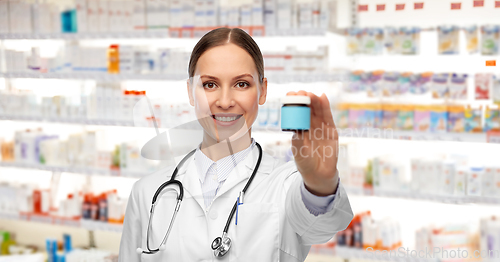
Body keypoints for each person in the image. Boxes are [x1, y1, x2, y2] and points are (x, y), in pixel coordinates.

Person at [118, 27, 353, 262]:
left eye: (241, 84)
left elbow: (320, 226)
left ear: (263, 91)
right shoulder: (147, 192)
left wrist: (320, 187)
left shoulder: (287, 185)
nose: (225, 101)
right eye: (210, 84)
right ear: (190, 91)